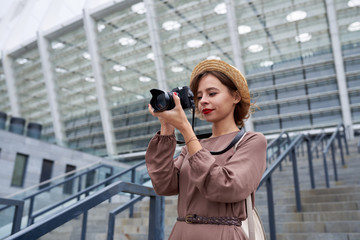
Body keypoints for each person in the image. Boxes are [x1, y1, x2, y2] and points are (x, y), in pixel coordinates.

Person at [145, 59, 267, 239]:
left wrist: (186, 129)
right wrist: (167, 126)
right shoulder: (194, 145)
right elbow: (164, 185)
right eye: (199, 96)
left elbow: (227, 187)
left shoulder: (253, 141)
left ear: (235, 96)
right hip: (181, 233)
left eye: (212, 93)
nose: (203, 101)